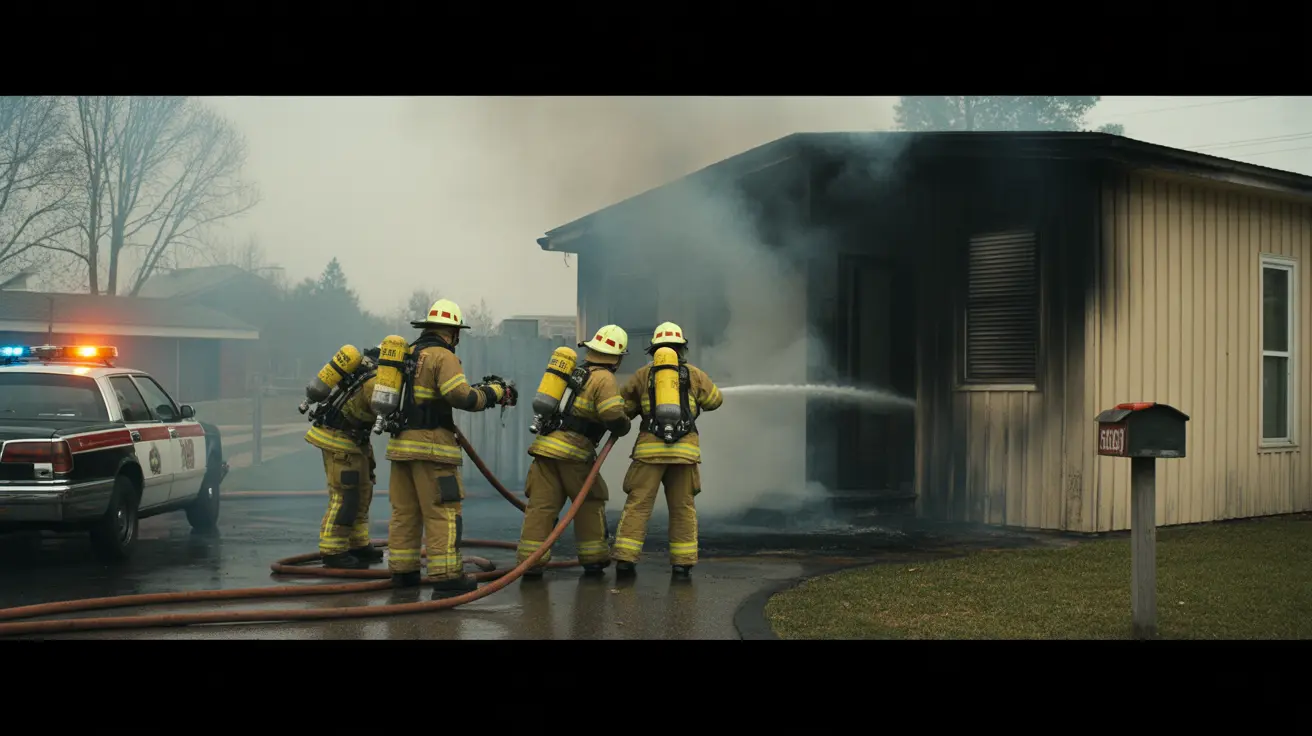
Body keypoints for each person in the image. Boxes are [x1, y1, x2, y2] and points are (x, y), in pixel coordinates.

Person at [384, 298, 517, 598]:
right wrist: (494, 393)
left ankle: (403, 573)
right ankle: (445, 576)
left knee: (405, 512)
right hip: (432, 449)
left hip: (401, 447)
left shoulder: (408, 354)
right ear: (453, 332)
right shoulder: (442, 356)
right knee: (443, 512)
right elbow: (462, 396)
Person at [515, 325, 632, 578]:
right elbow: (612, 413)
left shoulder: (574, 373)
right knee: (589, 501)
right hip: (574, 454)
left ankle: (530, 564)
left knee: (541, 507)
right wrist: (624, 424)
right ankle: (593, 559)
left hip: (545, 449)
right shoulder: (604, 378)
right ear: (618, 357)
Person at [611, 321, 723, 578]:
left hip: (649, 453)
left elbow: (624, 408)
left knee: (638, 505)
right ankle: (682, 566)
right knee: (683, 507)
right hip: (684, 453)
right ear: (681, 348)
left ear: (654, 350)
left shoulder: (641, 375)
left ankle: (626, 562)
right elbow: (715, 401)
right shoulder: (694, 374)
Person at [305, 346, 383, 570]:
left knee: (362, 492)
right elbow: (385, 410)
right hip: (339, 439)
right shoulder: (374, 382)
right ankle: (333, 550)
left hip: (355, 440)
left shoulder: (367, 375)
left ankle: (358, 544)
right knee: (345, 496)